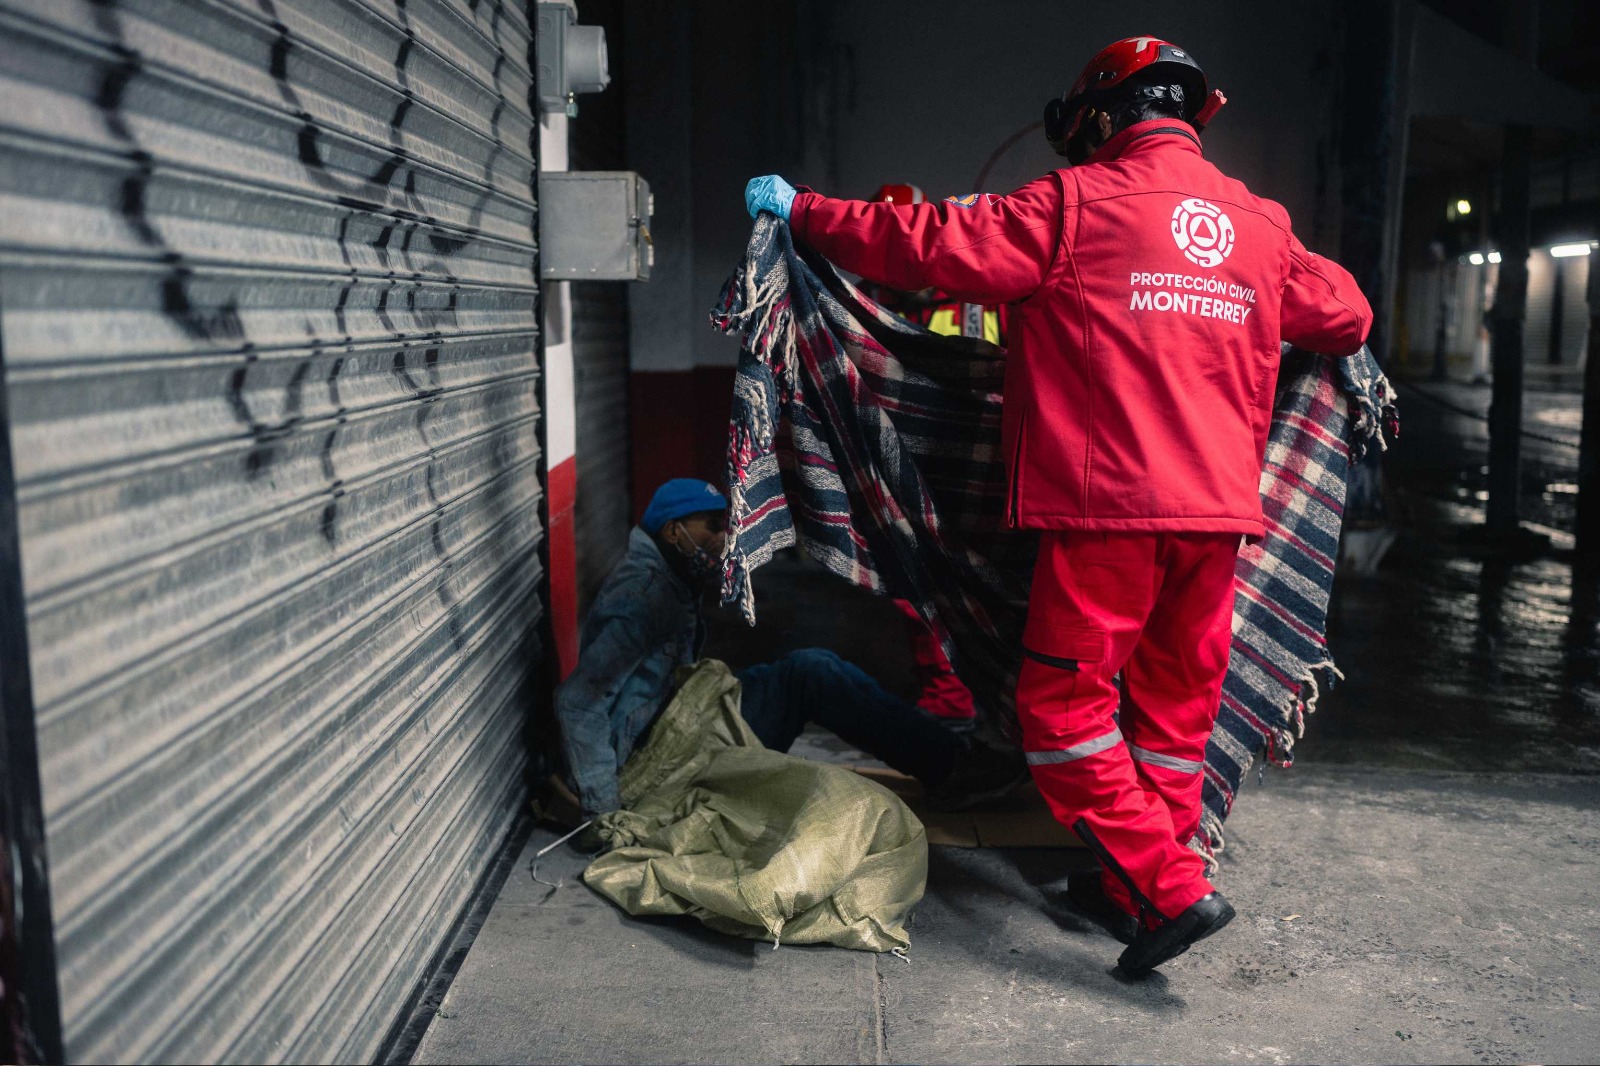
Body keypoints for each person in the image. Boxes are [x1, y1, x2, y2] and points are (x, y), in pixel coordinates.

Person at [743, 35, 1372, 976]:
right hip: (1219, 523)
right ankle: (1131, 885)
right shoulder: (1262, 224)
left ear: (1105, 118)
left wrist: (805, 214)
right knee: (1169, 725)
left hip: (1109, 513)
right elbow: (1347, 315)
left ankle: (1170, 889)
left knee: (1063, 714)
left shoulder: (1073, 203)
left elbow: (928, 246)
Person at [553, 477, 1025, 823]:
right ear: (673, 531)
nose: (723, 536)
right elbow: (579, 701)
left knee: (808, 669)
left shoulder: (672, 572)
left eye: (725, 524)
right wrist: (602, 807)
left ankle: (950, 761)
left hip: (681, 715)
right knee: (811, 674)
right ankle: (951, 768)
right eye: (711, 526)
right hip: (659, 754)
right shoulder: (642, 597)